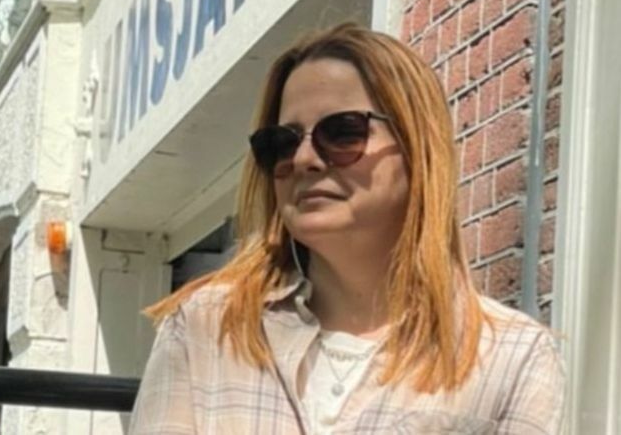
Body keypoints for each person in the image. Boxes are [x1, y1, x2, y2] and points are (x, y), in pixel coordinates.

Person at [129, 23, 565, 434]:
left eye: (342, 133)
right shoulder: (206, 328)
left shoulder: (510, 359)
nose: (304, 159)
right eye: (282, 142)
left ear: (418, 148)